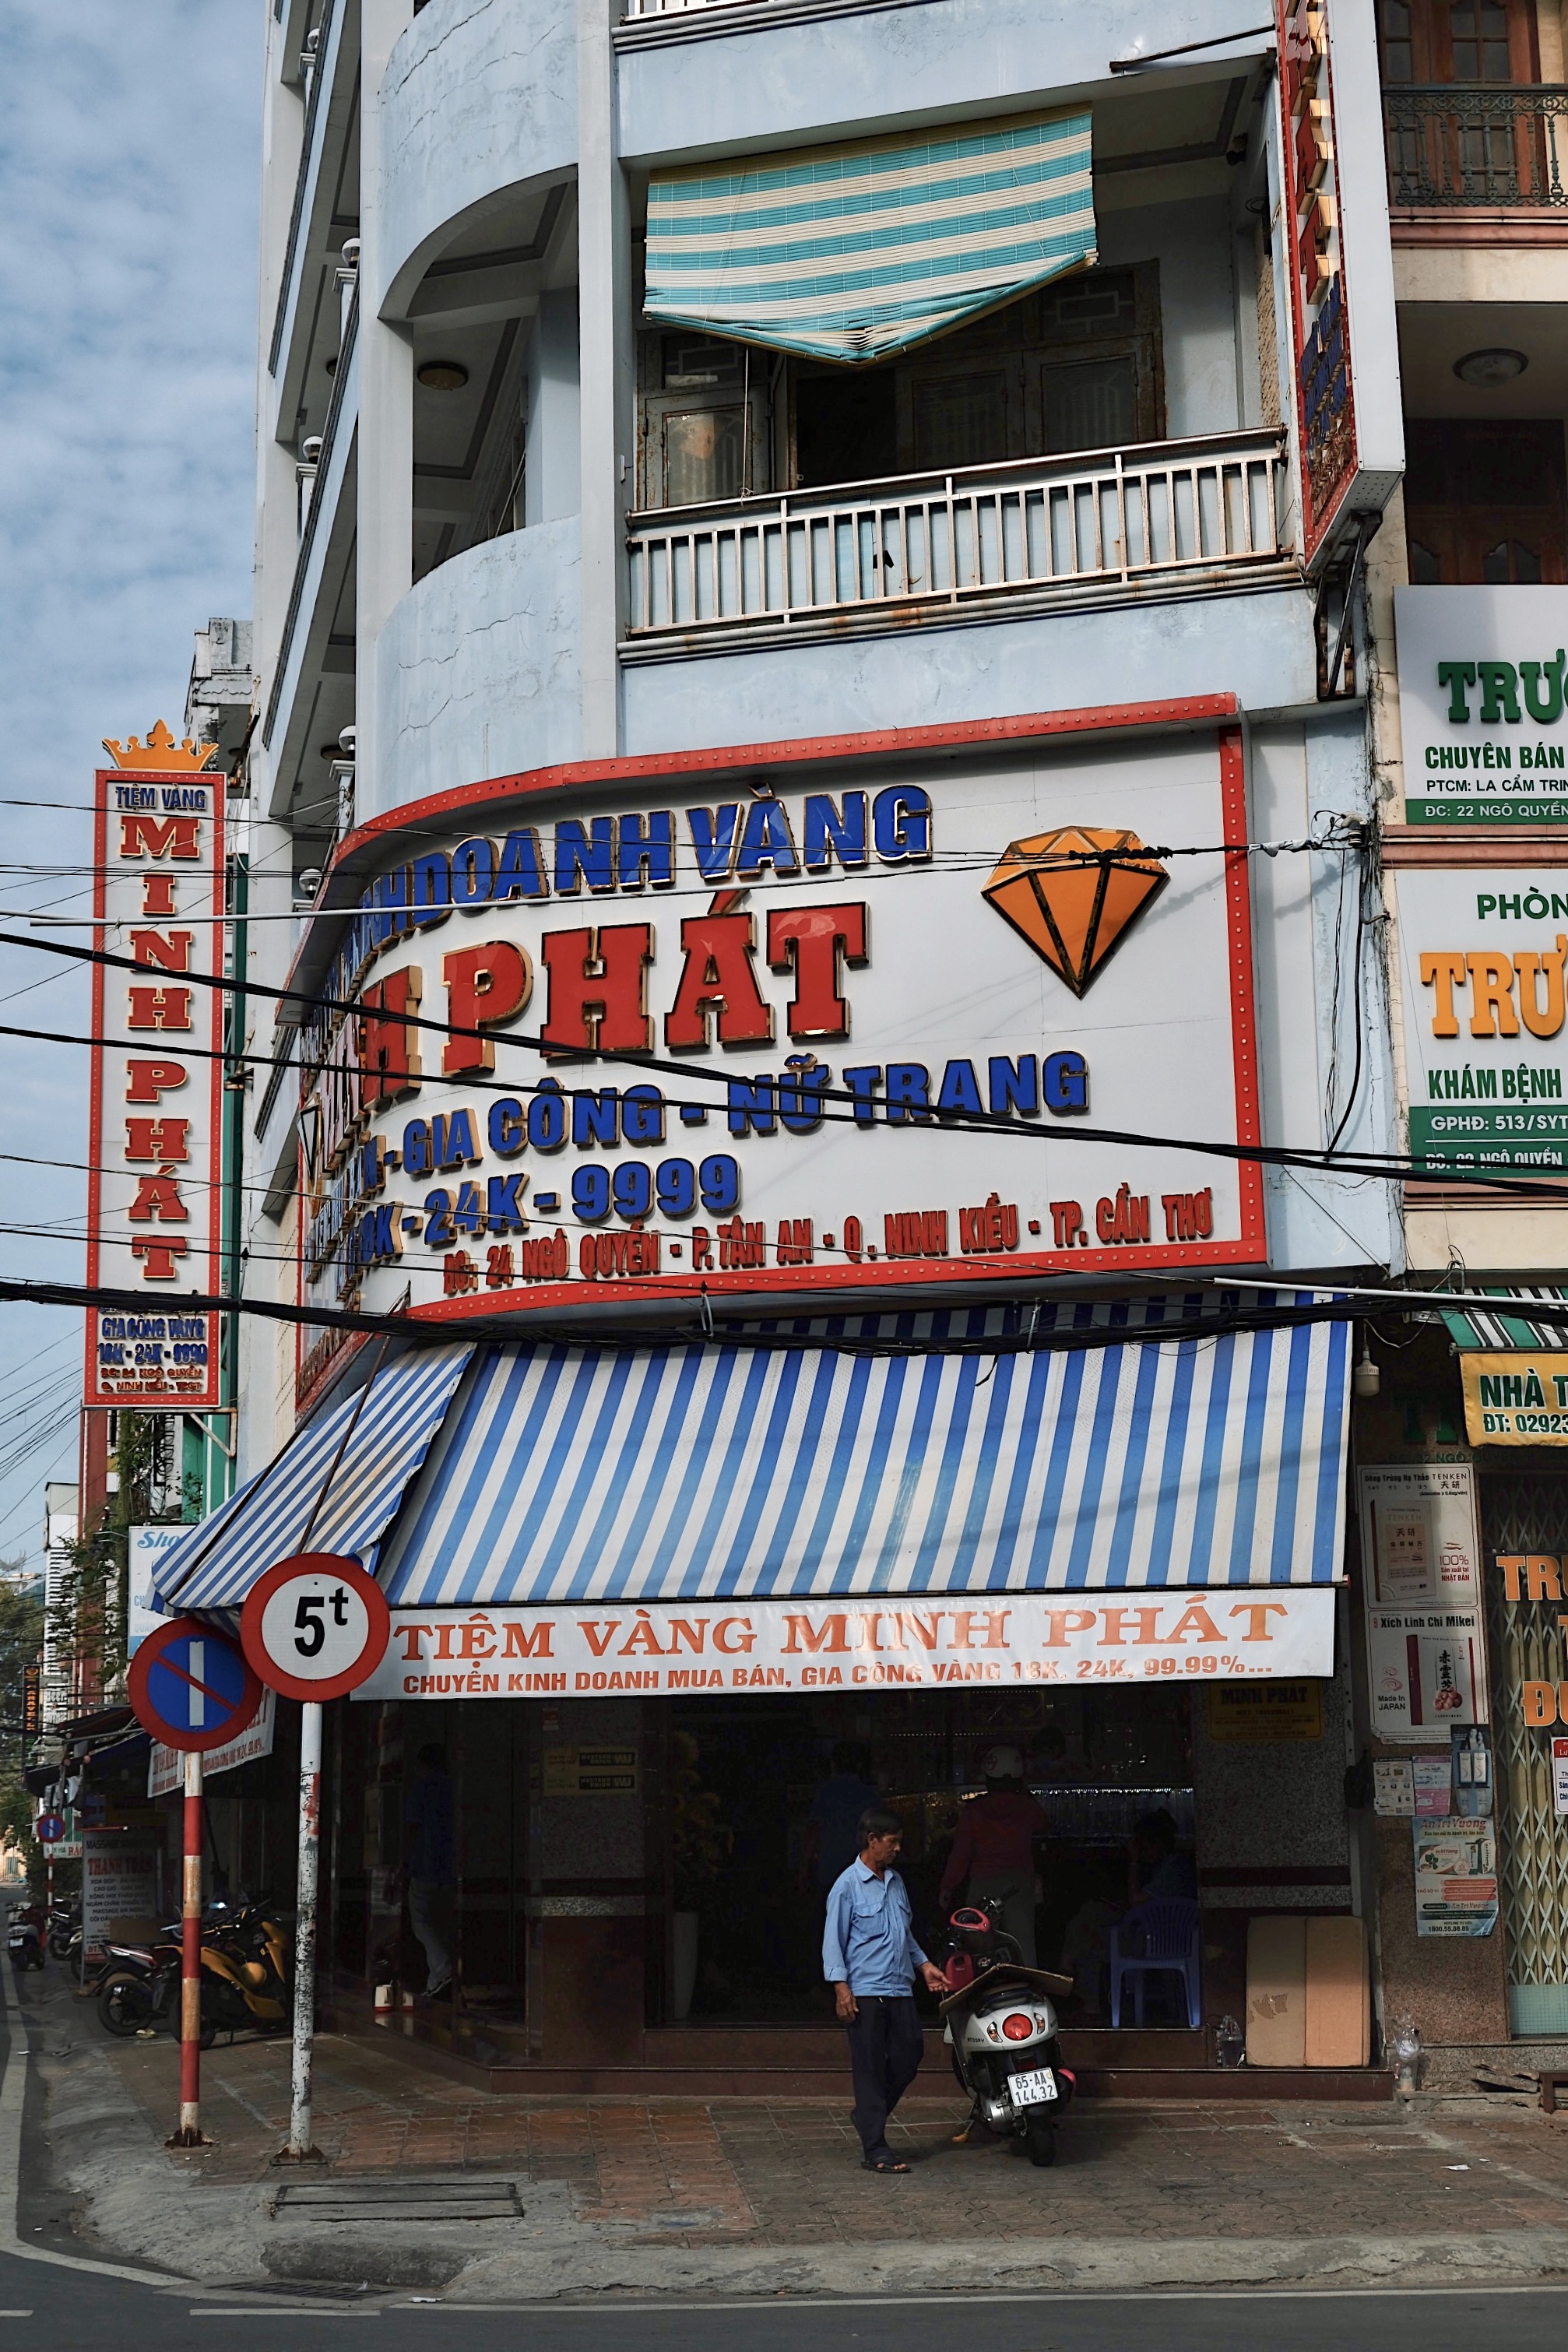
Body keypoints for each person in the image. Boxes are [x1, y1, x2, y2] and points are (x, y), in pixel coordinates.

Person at [823, 1805, 947, 2174]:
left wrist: (924, 1965)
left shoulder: (895, 1881)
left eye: (899, 1843)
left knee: (910, 2054)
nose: (896, 1850)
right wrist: (841, 1989)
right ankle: (875, 2147)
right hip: (864, 1990)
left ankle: (867, 2116)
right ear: (872, 1840)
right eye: (891, 1843)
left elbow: (903, 1934)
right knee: (870, 2068)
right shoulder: (846, 1886)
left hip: (900, 1988)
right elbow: (833, 1942)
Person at [937, 1744, 1051, 1965]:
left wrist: (947, 1886)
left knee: (979, 1952)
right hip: (1019, 1885)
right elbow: (1044, 1825)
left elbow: (961, 1854)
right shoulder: (1026, 1806)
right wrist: (1025, 1791)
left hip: (982, 1884)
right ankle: (1029, 1994)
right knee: (1024, 1949)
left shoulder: (974, 1810)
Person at [404, 1742, 455, 1998]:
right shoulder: (452, 1786)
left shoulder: (422, 1786)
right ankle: (434, 1980)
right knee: (440, 1924)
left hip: (424, 1865)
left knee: (422, 1922)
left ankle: (443, 1969)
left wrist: (403, 1862)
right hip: (450, 1868)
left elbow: (413, 1827)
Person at [800, 1741, 881, 1897]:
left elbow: (814, 1832)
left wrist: (804, 1868)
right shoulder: (870, 1795)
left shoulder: (826, 1792)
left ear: (834, 1764)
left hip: (830, 1870)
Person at [1128, 1808, 1197, 1902]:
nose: (1142, 1853)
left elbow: (1136, 1901)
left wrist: (1134, 1861)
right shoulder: (1168, 1864)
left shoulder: (1172, 1870)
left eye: (1144, 1847)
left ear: (1157, 1843)